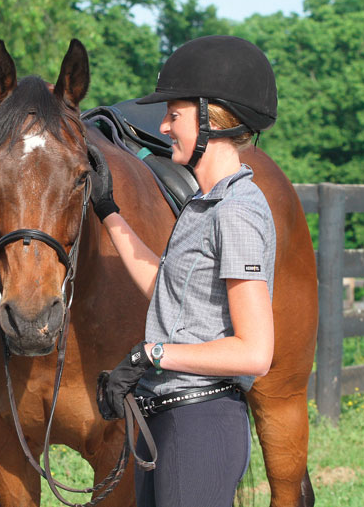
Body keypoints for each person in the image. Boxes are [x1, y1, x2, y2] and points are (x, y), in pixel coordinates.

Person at [91, 35, 278, 506]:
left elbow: (255, 353)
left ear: (210, 119)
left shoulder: (235, 212)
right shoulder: (202, 205)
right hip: (168, 418)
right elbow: (168, 291)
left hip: (200, 421)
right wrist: (108, 210)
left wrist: (153, 355)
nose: (163, 126)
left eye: (174, 115)